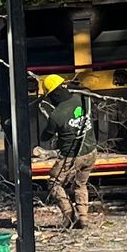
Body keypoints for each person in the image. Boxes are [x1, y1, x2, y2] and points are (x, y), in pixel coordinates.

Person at [35, 70, 99, 231]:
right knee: (80, 184)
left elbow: (45, 137)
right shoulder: (83, 100)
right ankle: (83, 219)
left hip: (71, 157)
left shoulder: (57, 115)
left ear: (52, 95)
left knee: (54, 183)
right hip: (91, 152)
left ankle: (69, 214)